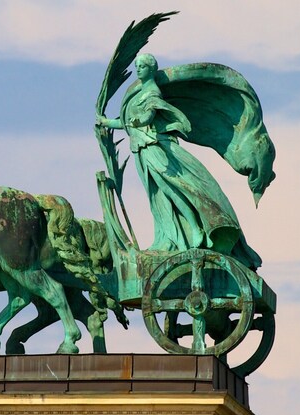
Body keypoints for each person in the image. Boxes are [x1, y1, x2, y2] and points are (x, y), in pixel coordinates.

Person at [97, 53, 261, 268]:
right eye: (137, 66)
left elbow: (148, 115)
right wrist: (106, 122)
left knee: (174, 189)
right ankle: (171, 237)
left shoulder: (151, 91)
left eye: (143, 66)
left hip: (155, 148)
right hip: (141, 150)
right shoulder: (137, 92)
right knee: (161, 196)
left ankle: (195, 228)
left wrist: (140, 121)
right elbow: (126, 123)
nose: (138, 69)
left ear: (152, 69)